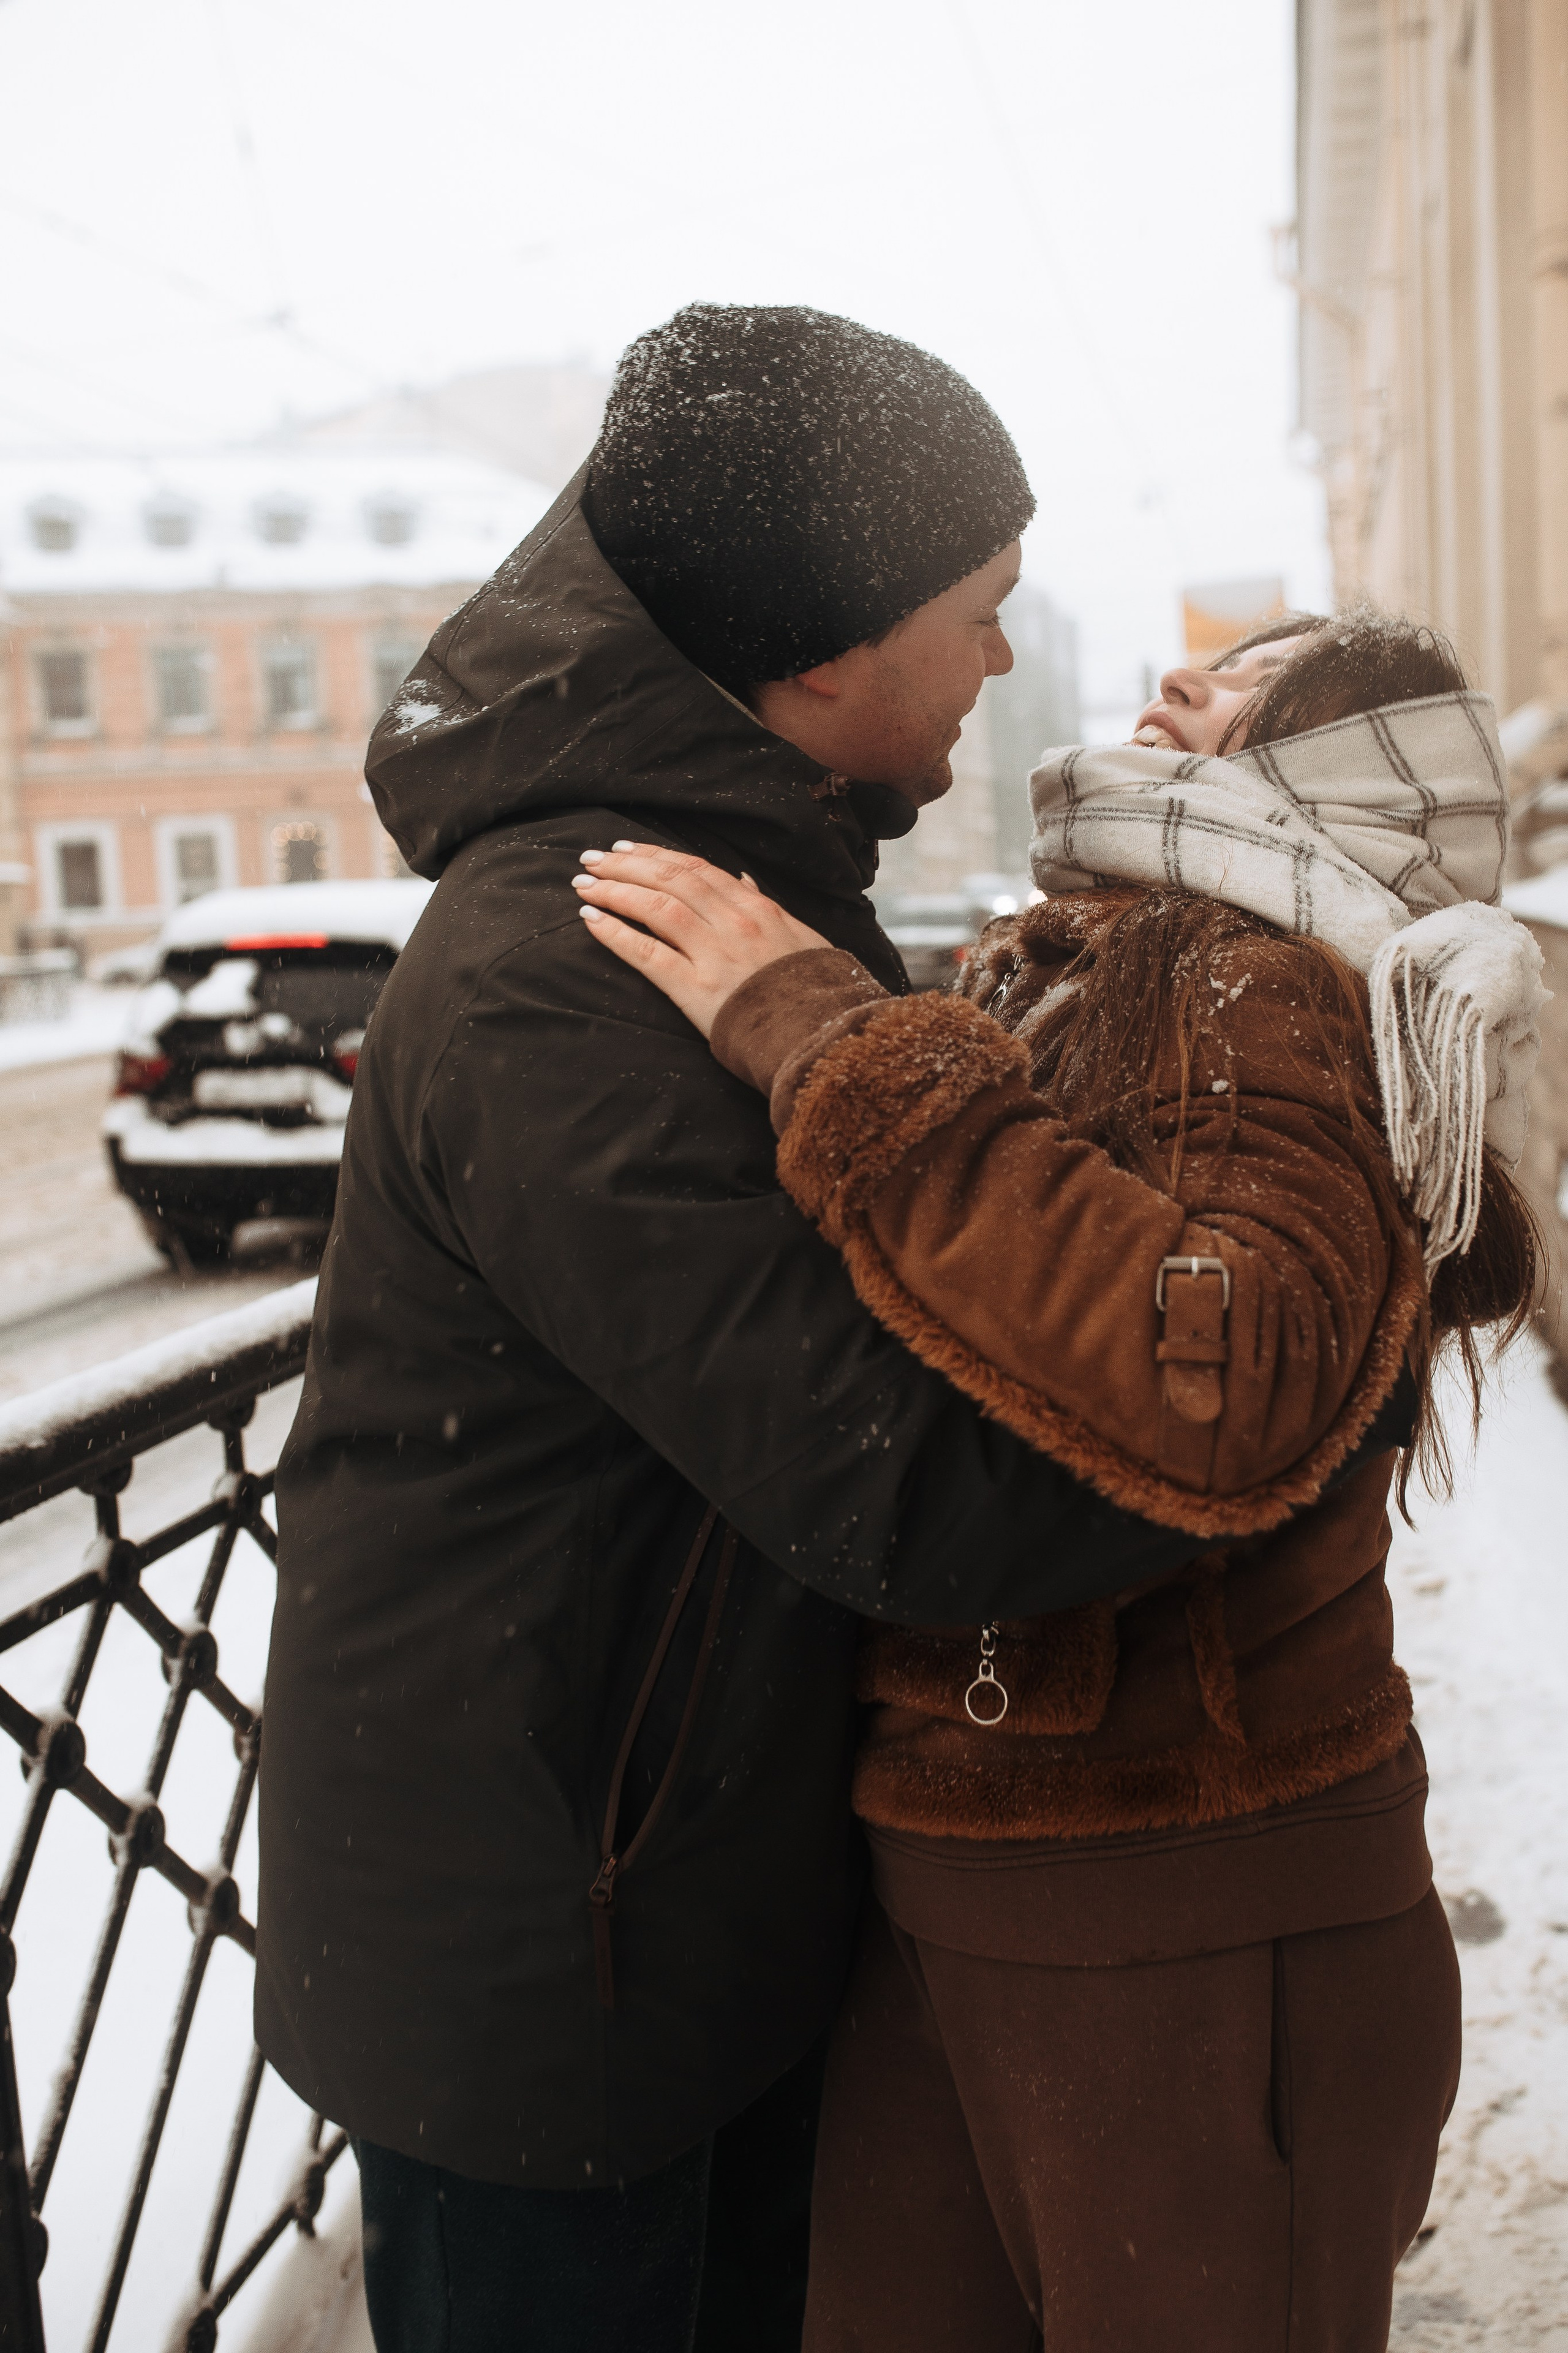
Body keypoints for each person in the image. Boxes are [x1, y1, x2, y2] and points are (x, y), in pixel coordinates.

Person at [260, 306, 1402, 2351]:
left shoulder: (753, 881)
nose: (996, 660)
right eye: (974, 612)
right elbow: (923, 1477)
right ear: (816, 656)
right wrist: (1259, 1424)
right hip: (563, 1983)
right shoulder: (577, 960)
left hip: (682, 1898)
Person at [571, 606, 1545, 2351]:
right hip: (998, 1869)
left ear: (1339, 767)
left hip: (1181, 1896)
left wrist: (819, 1030)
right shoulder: (1128, 954)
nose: (1181, 679)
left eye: (1250, 683)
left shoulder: (1254, 975)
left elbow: (1226, 1365)